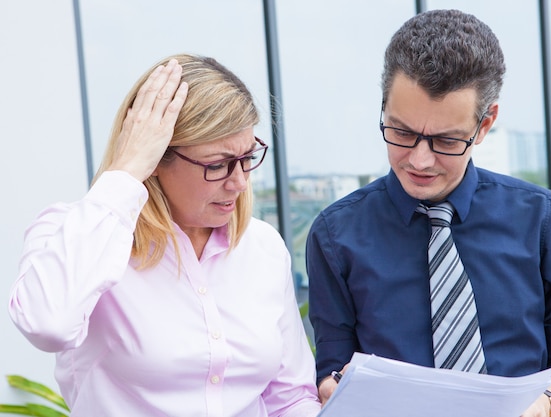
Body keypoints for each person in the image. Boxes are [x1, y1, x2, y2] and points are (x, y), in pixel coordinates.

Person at [306, 9, 551, 417]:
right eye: (402, 132)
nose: (419, 160)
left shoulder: (539, 218)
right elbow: (331, 369)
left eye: (446, 140)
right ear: (384, 108)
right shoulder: (335, 235)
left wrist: (545, 409)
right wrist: (334, 388)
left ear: (485, 124)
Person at [9, 54, 321, 417]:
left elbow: (290, 397)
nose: (239, 181)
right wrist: (126, 169)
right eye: (217, 165)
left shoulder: (263, 247)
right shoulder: (75, 234)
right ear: (155, 159)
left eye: (248, 157)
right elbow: (48, 326)